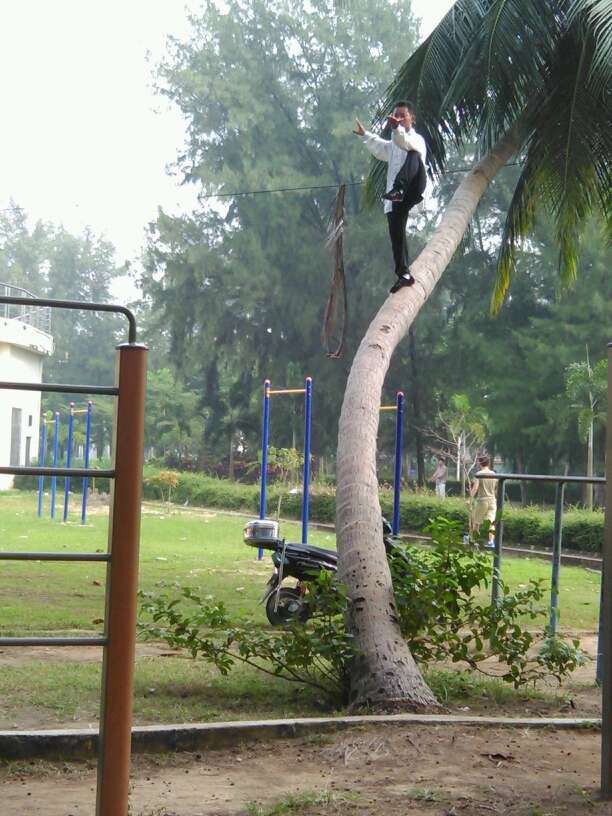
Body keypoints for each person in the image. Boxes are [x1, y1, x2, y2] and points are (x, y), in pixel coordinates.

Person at [353, 101, 427, 293]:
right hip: (396, 198)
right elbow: (380, 147)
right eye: (397, 116)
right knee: (396, 235)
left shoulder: (416, 139)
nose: (400, 119)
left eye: (403, 115)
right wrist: (365, 134)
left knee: (413, 155)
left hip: (414, 186)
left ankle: (399, 188)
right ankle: (404, 275)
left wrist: (396, 128)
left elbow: (404, 141)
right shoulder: (393, 145)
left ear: (412, 118)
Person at [470, 455, 497, 548]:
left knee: (476, 522)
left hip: (482, 500)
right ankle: (491, 542)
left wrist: (469, 499)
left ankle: (475, 541)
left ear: (480, 463)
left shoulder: (479, 474)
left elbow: (475, 488)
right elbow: (495, 488)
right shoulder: (494, 474)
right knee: (491, 522)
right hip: (492, 500)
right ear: (488, 463)